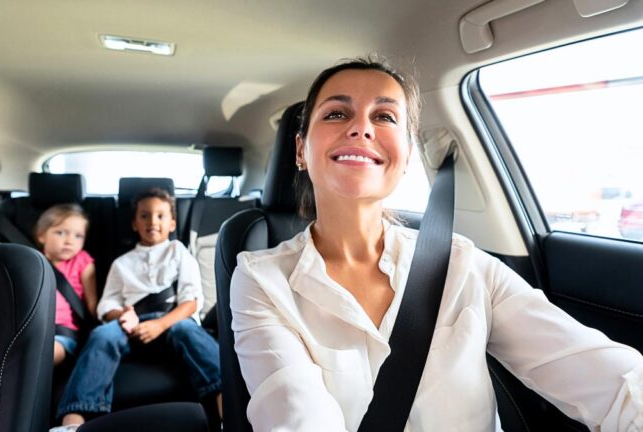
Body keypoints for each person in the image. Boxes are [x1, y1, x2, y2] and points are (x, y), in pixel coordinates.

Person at [229, 56, 643, 431]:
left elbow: (612, 381)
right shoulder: (261, 279)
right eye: (337, 113)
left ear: (407, 155)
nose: (361, 127)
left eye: (386, 117)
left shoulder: (465, 265)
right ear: (301, 150)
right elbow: (297, 416)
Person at [55, 188, 222, 428]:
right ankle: (73, 420)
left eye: (160, 216)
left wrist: (160, 324)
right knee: (102, 335)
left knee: (189, 331)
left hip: (170, 322)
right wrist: (122, 316)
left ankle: (228, 411)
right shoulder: (122, 263)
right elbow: (106, 305)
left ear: (172, 223)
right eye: (144, 216)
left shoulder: (180, 253)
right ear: (134, 224)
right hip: (129, 325)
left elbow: (191, 301)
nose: (152, 221)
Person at [35, 203, 97, 366]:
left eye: (78, 236)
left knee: (42, 357)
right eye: (61, 232)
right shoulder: (33, 262)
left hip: (62, 333)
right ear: (42, 235)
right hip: (32, 328)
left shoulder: (82, 261)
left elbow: (93, 304)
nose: (69, 241)